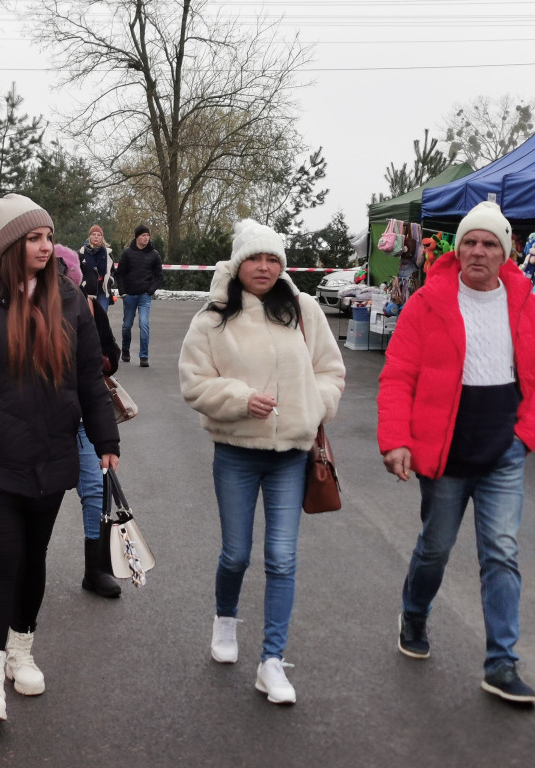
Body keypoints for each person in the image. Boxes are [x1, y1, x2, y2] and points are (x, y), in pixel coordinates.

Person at [0, 190, 120, 725]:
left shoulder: (70, 298)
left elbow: (88, 378)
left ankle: (21, 650)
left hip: (52, 455)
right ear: (10, 244)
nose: (46, 246)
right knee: (1, 559)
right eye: (34, 238)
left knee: (34, 560)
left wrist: (106, 443)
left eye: (49, 236)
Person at [377, 201, 535, 705]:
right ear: (459, 249)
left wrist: (525, 438)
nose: (478, 251)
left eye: (489, 243)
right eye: (470, 242)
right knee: (435, 546)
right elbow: (397, 377)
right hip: (444, 450)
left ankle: (501, 662)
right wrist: (396, 440)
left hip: (504, 449)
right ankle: (414, 612)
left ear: (506, 251)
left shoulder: (528, 304)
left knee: (501, 551)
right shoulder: (428, 302)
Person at [178, 219, 346, 706]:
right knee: (236, 553)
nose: (265, 267)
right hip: (235, 453)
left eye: (274, 259)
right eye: (256, 258)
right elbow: (193, 382)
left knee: (282, 557)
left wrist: (311, 406)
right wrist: (238, 398)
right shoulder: (212, 318)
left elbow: (330, 370)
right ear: (238, 264)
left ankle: (272, 661)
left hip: (291, 456)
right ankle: (225, 621)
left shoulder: (302, 309)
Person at [55, 244, 122, 598]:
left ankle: (95, 570)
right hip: (43, 420)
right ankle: (23, 565)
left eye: (64, 275)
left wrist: (90, 364)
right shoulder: (23, 310)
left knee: (96, 490)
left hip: (83, 417)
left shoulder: (90, 308)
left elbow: (112, 357)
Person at [117, 224, 163, 367]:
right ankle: (125, 349)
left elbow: (159, 276)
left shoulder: (154, 254)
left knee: (144, 324)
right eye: (143, 235)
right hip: (129, 295)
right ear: (137, 237)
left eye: (148, 235)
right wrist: (122, 292)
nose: (146, 238)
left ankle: (144, 356)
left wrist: (151, 290)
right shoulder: (127, 253)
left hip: (144, 295)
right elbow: (120, 274)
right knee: (127, 325)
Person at [78, 225, 115, 311]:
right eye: (93, 234)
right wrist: (83, 282)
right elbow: (77, 270)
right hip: (87, 290)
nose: (96, 237)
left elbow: (113, 270)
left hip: (102, 289)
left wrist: (110, 279)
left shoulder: (108, 253)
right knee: (90, 318)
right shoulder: (82, 253)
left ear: (102, 237)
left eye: (98, 235)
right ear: (89, 236)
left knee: (102, 316)